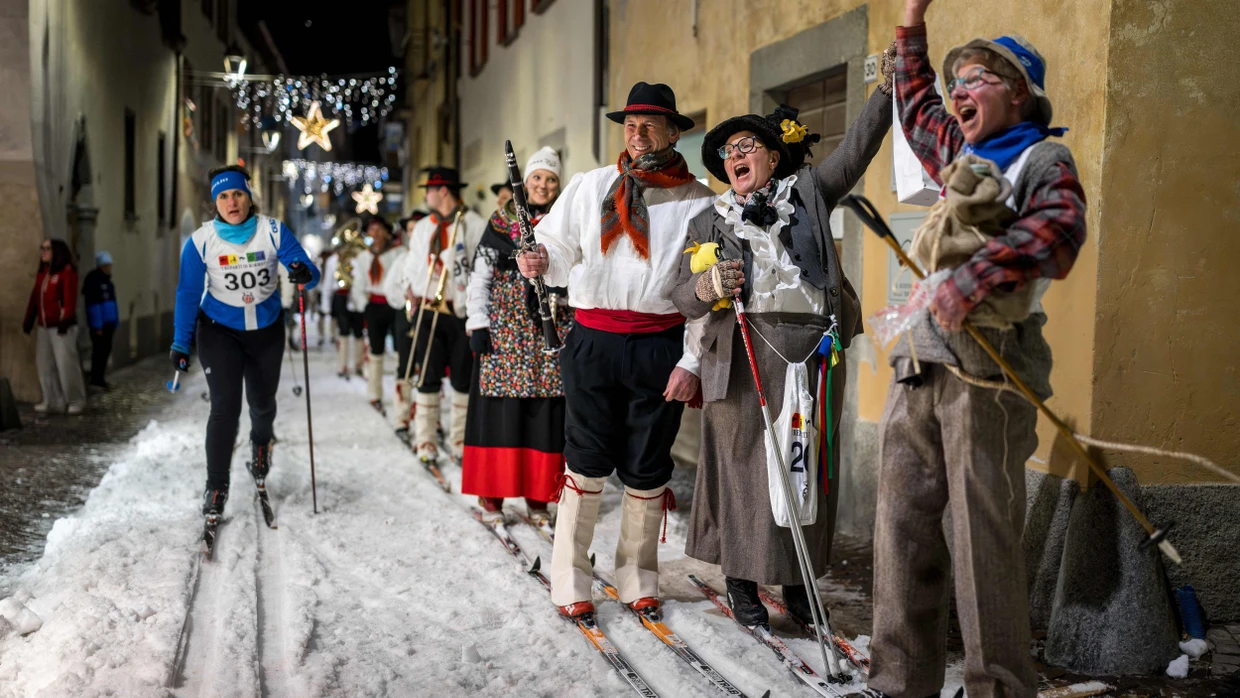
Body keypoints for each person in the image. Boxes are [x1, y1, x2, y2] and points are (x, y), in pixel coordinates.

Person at [867, 3, 1087, 697]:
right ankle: (901, 682)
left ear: (1017, 92)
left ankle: (997, 686)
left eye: (977, 80)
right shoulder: (957, 154)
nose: (958, 91)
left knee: (981, 542)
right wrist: (911, 16)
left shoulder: (1041, 156)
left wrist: (973, 277)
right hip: (920, 363)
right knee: (901, 532)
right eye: (956, 80)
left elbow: (1058, 230)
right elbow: (913, 98)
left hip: (990, 373)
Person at [670, 51, 895, 629]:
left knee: (806, 464)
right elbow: (679, 294)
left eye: (748, 147)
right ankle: (743, 581)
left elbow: (856, 152)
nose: (736, 156)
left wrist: (886, 92)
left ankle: (798, 583)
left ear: (774, 157)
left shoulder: (811, 195)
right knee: (745, 471)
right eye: (728, 151)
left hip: (815, 354)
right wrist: (708, 281)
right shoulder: (708, 221)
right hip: (742, 355)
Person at [516, 82, 713, 621]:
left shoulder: (699, 201)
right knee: (583, 459)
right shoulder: (590, 185)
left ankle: (637, 577)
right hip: (592, 340)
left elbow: (706, 297)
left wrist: (691, 361)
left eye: (650, 123)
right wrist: (538, 261)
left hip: (660, 344)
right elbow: (556, 245)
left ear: (674, 132)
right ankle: (569, 579)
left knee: (649, 465)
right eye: (630, 124)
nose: (638, 132)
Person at [170, 165, 320, 524]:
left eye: (237, 193)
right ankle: (217, 486)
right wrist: (180, 343)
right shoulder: (201, 241)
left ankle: (261, 444)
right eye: (223, 196)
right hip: (219, 330)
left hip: (266, 330)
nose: (231, 201)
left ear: (247, 196)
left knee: (263, 404)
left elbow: (307, 271)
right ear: (215, 203)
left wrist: (303, 273)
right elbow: (188, 293)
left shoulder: (272, 230)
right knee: (224, 408)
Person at [463, 147, 573, 526]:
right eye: (537, 178)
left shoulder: (565, 221)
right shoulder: (501, 221)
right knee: (499, 411)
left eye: (551, 179)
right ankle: (491, 496)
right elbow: (481, 275)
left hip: (550, 324)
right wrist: (477, 321)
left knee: (543, 414)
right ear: (525, 182)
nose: (543, 185)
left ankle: (538, 497)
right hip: (505, 326)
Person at [397, 168, 487, 463]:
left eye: (429, 190)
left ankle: (459, 439)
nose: (426, 195)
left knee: (462, 377)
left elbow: (482, 268)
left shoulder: (472, 223)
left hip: (459, 310)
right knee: (427, 374)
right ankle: (425, 439)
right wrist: (409, 289)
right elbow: (412, 263)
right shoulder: (424, 226)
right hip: (427, 308)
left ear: (443, 191)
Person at [23, 238, 86, 414]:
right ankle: (52, 400)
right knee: (44, 364)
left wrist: (64, 320)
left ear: (56, 251)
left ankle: (75, 400)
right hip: (44, 326)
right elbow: (35, 298)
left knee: (66, 365)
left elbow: (69, 299)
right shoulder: (43, 272)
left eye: (47, 248)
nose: (43, 251)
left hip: (61, 327)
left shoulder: (67, 271)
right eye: (42, 248)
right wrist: (29, 320)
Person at [350, 216, 405, 414]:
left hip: (395, 305)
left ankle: (401, 391)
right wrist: (365, 305)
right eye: (372, 230)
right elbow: (358, 285)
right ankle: (374, 392)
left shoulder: (397, 253)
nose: (376, 234)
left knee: (400, 348)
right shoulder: (363, 257)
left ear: (387, 232)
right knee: (375, 350)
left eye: (380, 229)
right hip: (374, 304)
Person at [385, 210, 430, 443]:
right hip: (406, 315)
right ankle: (401, 417)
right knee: (405, 364)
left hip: (430, 314)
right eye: (410, 230)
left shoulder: (433, 256)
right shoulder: (402, 259)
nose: (413, 234)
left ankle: (429, 421)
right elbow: (389, 288)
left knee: (428, 368)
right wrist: (405, 297)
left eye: (417, 229)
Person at [323, 225, 367, 379]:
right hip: (341, 297)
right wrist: (326, 306)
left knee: (358, 332)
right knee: (343, 331)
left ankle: (358, 364)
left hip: (356, 297)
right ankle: (342, 365)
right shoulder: (332, 261)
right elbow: (328, 283)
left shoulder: (359, 258)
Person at [82, 250, 120, 391]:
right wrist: (97, 325)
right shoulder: (94, 281)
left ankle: (100, 379)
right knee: (99, 352)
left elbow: (113, 302)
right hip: (100, 325)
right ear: (101, 266)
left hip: (109, 323)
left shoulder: (108, 282)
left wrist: (115, 321)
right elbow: (93, 305)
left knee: (105, 351)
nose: (109, 268)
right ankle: (95, 379)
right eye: (107, 265)